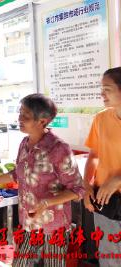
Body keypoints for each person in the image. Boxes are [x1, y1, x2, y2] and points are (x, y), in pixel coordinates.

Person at [0, 93, 84, 267]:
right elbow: (15, 174)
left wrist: (46, 203)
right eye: (20, 113)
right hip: (29, 224)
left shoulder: (58, 149)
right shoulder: (24, 143)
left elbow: (78, 189)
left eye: (26, 115)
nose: (19, 118)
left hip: (54, 227)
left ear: (42, 121)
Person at [83, 67, 121, 266]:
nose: (101, 93)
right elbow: (94, 155)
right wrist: (87, 185)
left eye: (107, 88)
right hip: (105, 202)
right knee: (108, 256)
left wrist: (118, 178)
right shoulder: (101, 119)